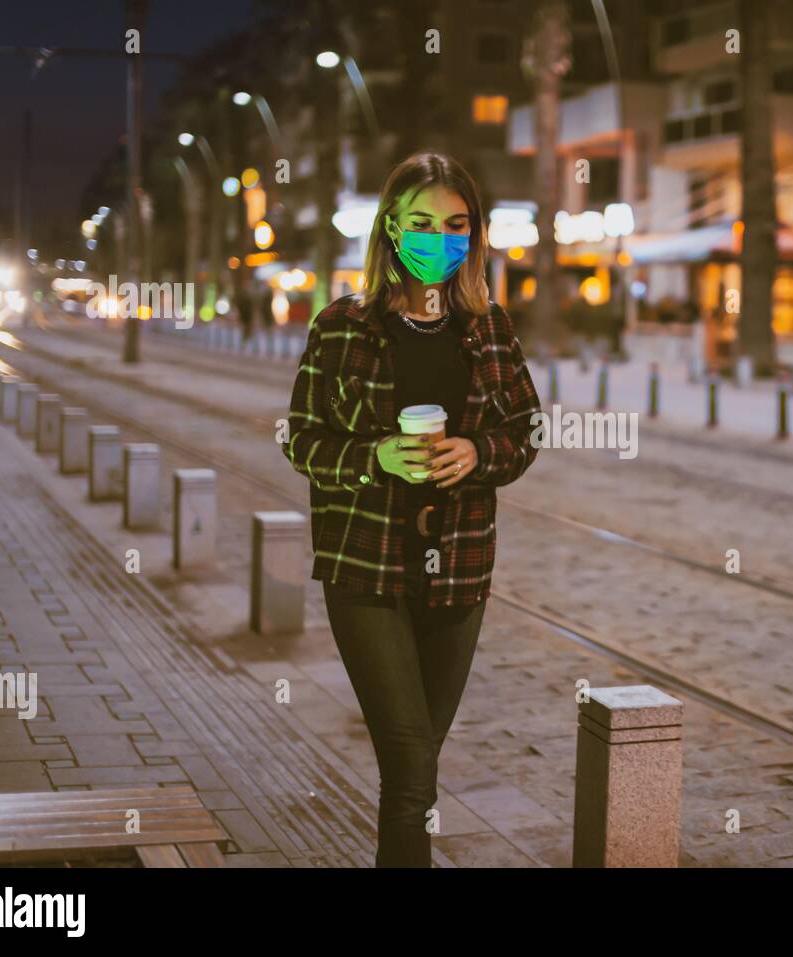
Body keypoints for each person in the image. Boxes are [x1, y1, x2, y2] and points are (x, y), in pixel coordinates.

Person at [281, 152, 542, 867]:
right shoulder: (341, 326)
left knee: (419, 766)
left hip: (457, 574)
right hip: (366, 569)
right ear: (391, 228)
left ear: (475, 234)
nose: (439, 238)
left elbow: (526, 429)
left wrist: (477, 455)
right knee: (409, 771)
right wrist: (374, 458)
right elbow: (300, 437)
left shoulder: (489, 328)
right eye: (422, 222)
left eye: (456, 224)